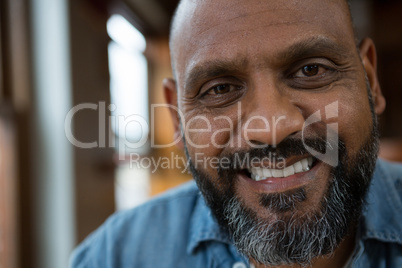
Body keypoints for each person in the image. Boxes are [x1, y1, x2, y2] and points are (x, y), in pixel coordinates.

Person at [70, 0, 402, 267]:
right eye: (220, 88)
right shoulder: (114, 257)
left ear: (370, 81)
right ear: (177, 118)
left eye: (310, 70)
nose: (270, 128)